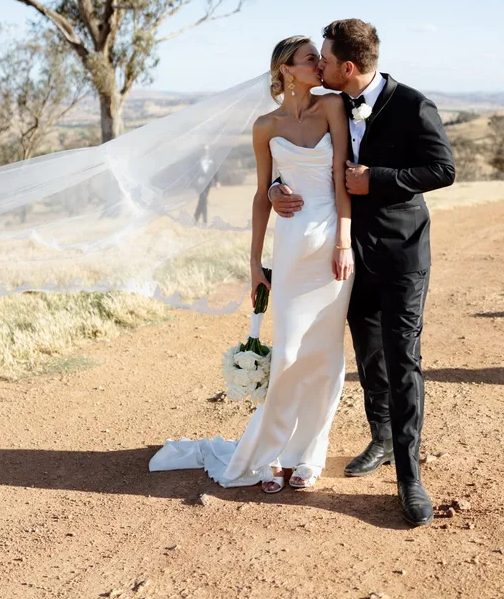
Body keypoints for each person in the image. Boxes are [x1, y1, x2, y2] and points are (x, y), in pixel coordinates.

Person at [269, 19, 455, 526]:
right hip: (345, 258)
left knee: (402, 359)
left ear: (347, 67)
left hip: (401, 256)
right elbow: (299, 163)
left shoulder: (414, 105)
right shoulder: (329, 105)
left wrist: (377, 179)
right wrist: (273, 191)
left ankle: (409, 477)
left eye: (325, 60)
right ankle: (380, 438)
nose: (320, 66)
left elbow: (443, 170)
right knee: (368, 355)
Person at [149, 36, 355, 490]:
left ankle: (308, 457)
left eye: (320, 59)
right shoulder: (265, 125)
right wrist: (254, 262)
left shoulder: (334, 108)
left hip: (331, 248)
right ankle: (272, 453)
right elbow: (262, 195)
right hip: (290, 246)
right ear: (285, 69)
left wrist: (344, 241)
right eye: (310, 59)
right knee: (287, 352)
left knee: (324, 354)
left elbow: (342, 178)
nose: (320, 65)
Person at [194, 144, 216, 225]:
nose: (206, 151)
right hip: (199, 184)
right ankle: (204, 220)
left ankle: (196, 218)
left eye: (207, 150)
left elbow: (215, 171)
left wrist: (217, 181)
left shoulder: (212, 160)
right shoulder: (197, 160)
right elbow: (193, 172)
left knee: (202, 200)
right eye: (204, 150)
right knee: (203, 199)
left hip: (208, 183)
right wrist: (196, 180)